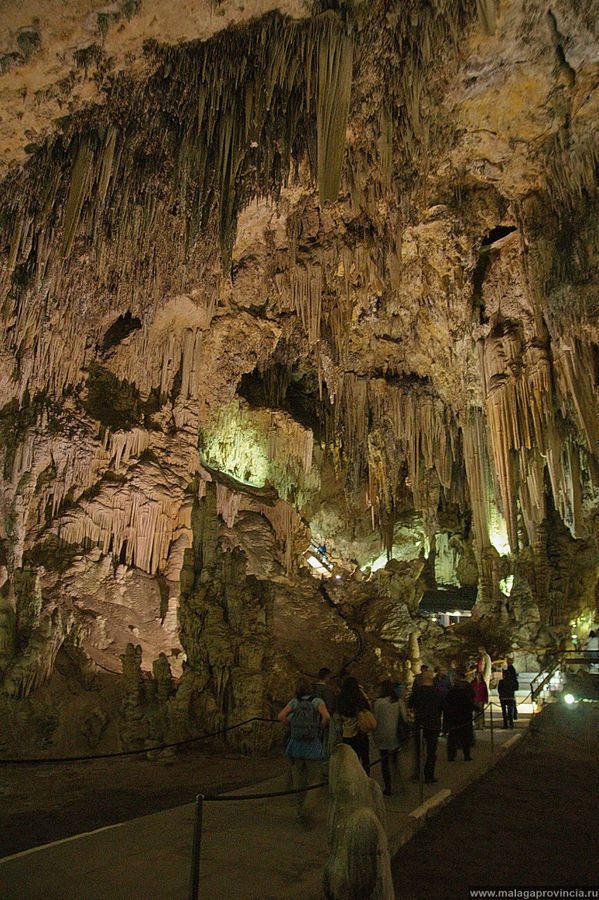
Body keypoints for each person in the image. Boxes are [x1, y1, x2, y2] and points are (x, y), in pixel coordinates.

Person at [278, 679, 330, 821]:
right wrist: (320, 727)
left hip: (295, 747)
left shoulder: (295, 702)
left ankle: (301, 811)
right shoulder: (317, 701)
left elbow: (281, 716)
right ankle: (309, 807)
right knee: (315, 779)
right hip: (312, 746)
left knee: (298, 780)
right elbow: (326, 716)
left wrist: (291, 725)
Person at [373, 679, 407, 796]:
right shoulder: (398, 702)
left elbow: (375, 719)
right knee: (395, 760)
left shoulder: (379, 703)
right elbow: (404, 718)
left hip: (382, 735)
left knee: (384, 762)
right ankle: (398, 782)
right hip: (395, 735)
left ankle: (388, 786)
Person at [408, 670, 442, 783]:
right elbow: (443, 707)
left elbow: (410, 704)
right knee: (431, 752)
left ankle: (417, 773)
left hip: (420, 723)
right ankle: (429, 775)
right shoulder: (437, 692)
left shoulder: (418, 692)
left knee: (418, 751)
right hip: (433, 724)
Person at [336, 676, 372, 774]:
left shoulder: (341, 698)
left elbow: (339, 714)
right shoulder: (359, 697)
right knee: (365, 760)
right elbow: (368, 707)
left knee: (350, 761)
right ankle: (365, 780)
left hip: (347, 734)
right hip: (361, 733)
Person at [445, 668, 475, 760]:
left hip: (454, 718)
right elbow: (470, 701)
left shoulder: (451, 692)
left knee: (453, 738)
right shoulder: (465, 691)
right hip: (464, 718)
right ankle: (466, 755)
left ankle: (451, 756)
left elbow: (447, 704)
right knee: (465, 737)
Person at [313, 667, 336, 774]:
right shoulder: (326, 690)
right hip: (324, 718)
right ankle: (324, 767)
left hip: (313, 719)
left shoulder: (312, 688)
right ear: (327, 676)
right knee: (326, 743)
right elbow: (330, 705)